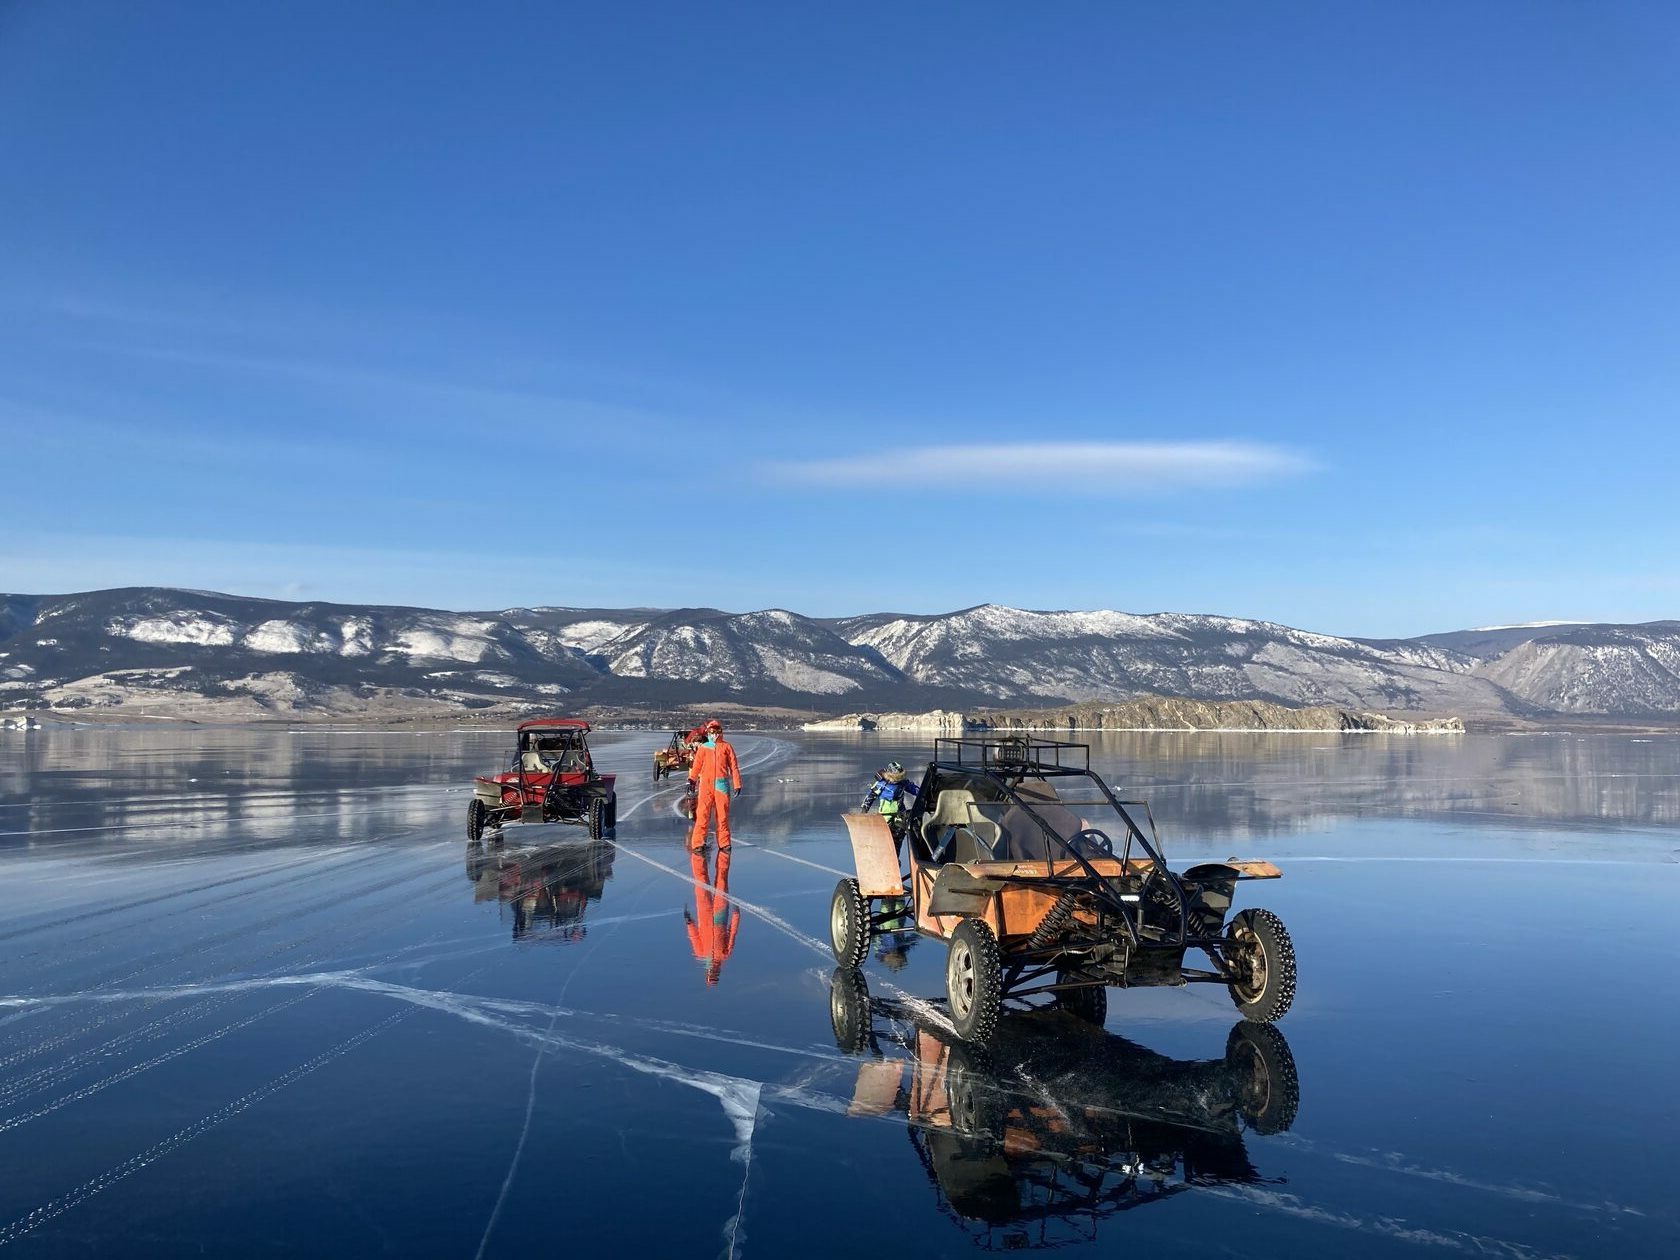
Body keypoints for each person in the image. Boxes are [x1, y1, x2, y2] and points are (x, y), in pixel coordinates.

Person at [684, 843, 739, 986]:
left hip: (704, 912)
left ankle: (699, 859)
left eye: (711, 974)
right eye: (715, 974)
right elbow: (732, 933)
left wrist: (689, 922)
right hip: (720, 915)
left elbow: (695, 937)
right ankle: (721, 859)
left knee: (701, 882)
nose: (714, 971)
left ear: (708, 972)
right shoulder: (725, 955)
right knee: (721, 880)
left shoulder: (701, 953)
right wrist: (736, 916)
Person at [686, 718, 742, 849]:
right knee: (702, 815)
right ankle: (698, 843)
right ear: (708, 732)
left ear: (721, 732)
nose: (714, 734)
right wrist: (692, 780)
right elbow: (697, 766)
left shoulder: (727, 747)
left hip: (721, 786)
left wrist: (737, 784)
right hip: (706, 785)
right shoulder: (704, 748)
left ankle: (724, 842)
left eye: (717, 731)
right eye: (711, 731)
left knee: (722, 816)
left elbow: (734, 766)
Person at [858, 761, 919, 835]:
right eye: (897, 777)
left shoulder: (903, 783)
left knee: (900, 833)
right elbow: (870, 797)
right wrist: (864, 810)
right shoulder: (881, 784)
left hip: (900, 815)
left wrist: (924, 794)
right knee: (888, 834)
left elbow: (915, 790)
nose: (898, 780)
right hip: (885, 816)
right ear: (890, 776)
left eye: (900, 777)